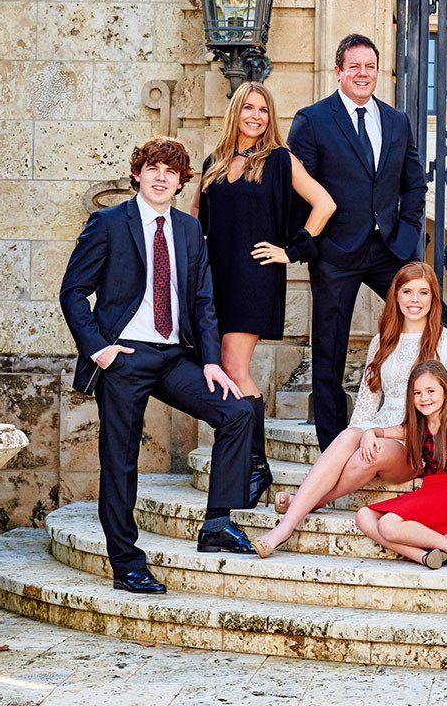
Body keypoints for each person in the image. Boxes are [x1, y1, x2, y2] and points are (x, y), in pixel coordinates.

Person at [59, 137, 256, 594]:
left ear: (182, 181)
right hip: (123, 356)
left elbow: (204, 302)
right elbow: (73, 291)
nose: (161, 176)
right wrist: (99, 349)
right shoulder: (108, 223)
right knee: (121, 461)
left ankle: (217, 524)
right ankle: (126, 563)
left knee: (238, 412)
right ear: (138, 174)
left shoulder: (189, 230)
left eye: (171, 170)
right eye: (153, 168)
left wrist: (210, 362)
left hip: (174, 356)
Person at [253, 262, 447, 557]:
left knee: (374, 450)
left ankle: (302, 504)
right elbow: (367, 404)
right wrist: (362, 433)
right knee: (347, 438)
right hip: (381, 430)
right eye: (407, 292)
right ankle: (285, 528)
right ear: (395, 296)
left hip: (419, 444)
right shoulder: (383, 342)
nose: (414, 300)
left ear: (434, 298)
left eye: (423, 293)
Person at [192, 81, 336, 508]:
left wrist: (291, 252)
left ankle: (256, 467)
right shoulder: (214, 162)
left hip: (253, 276)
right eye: (249, 108)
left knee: (236, 369)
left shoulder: (279, 160)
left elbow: (324, 204)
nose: (256, 116)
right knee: (221, 368)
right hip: (214, 277)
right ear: (235, 111)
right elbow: (198, 219)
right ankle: (245, 460)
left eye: (264, 110)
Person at [288, 33, 428, 450]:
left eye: (370, 66)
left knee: (424, 331)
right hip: (335, 252)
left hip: (390, 249)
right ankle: (334, 446)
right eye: (355, 67)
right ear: (339, 71)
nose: (363, 74)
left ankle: (417, 427)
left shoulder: (397, 120)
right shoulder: (312, 119)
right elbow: (299, 187)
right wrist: (311, 242)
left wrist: (406, 230)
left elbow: (414, 184)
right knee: (328, 353)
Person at [355, 360, 447, 569]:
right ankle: (424, 557)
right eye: (417, 393)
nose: (424, 398)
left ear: (445, 392)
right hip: (430, 491)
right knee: (364, 516)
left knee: (387, 525)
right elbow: (383, 431)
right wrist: (368, 433)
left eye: (430, 391)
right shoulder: (420, 424)